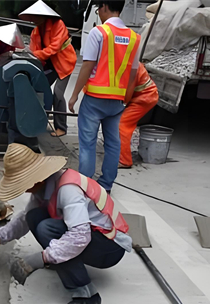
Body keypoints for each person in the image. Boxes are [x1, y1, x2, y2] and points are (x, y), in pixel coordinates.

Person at [0, 143, 132, 304]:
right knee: (34, 216)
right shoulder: (45, 185)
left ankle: (86, 297)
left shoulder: (68, 189)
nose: (24, 189)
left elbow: (80, 236)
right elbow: (26, 217)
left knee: (47, 228)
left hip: (110, 247)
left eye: (23, 184)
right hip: (92, 237)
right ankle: (59, 260)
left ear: (36, 179)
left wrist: (41, 258)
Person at [68, 0, 141, 193]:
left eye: (98, 8)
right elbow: (133, 72)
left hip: (95, 98)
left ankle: (86, 187)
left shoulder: (98, 32)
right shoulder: (134, 38)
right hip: (117, 101)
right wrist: (126, 97)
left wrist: (74, 95)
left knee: (88, 144)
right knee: (113, 144)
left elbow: (87, 65)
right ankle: (106, 185)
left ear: (104, 7)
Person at [19, 0, 77, 138]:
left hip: (64, 63)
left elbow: (53, 48)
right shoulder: (36, 31)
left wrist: (35, 54)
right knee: (39, 88)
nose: (33, 19)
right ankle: (42, 117)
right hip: (49, 64)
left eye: (36, 16)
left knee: (58, 94)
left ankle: (61, 127)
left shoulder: (58, 25)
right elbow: (34, 51)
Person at [119, 63, 159, 168]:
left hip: (144, 98)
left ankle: (124, 161)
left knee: (122, 125)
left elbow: (127, 94)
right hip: (143, 95)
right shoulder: (129, 61)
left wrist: (122, 105)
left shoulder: (130, 66)